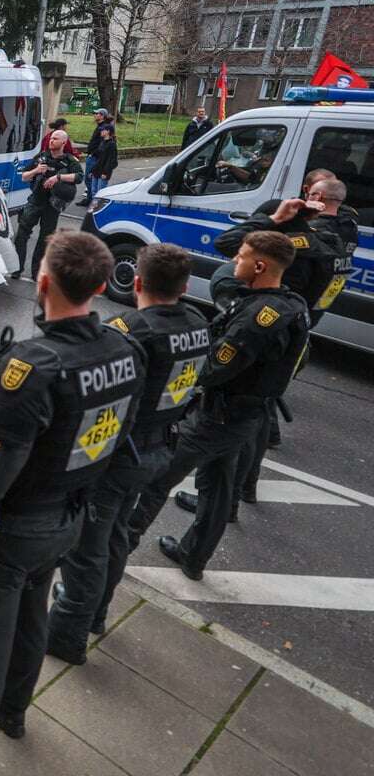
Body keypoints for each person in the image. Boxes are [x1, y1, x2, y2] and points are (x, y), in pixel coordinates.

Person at [0, 232, 144, 775]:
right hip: (70, 515)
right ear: (103, 286)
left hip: (12, 528)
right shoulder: (125, 350)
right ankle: (13, 711)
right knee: (32, 617)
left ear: (42, 282)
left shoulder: (33, 367)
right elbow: (121, 437)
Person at [47, 244, 210, 665]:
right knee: (116, 533)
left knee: (87, 548)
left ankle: (67, 632)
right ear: (186, 286)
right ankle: (97, 612)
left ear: (136, 282)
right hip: (159, 446)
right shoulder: (197, 322)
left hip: (120, 452)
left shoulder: (132, 328)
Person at [131, 231, 309, 581]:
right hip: (246, 415)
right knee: (218, 486)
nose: (234, 262)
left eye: (240, 257)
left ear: (259, 266)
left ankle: (117, 548)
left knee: (156, 482)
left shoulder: (261, 316)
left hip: (218, 417)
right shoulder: (293, 305)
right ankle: (193, 556)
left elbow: (212, 369)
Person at [172, 176, 352, 518]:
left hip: (260, 330)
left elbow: (227, 244)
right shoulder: (338, 235)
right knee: (260, 412)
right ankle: (242, 489)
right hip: (298, 332)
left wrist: (272, 220)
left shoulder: (283, 243)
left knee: (238, 415)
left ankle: (229, 496)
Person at [12, 129, 83, 280]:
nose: (51, 141)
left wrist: (58, 177)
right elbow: (24, 176)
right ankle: (17, 268)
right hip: (35, 201)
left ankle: (36, 272)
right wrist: (36, 170)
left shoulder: (69, 160)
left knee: (45, 239)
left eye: (56, 139)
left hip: (53, 206)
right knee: (21, 235)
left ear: (63, 142)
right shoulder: (41, 157)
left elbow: (79, 177)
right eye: (51, 138)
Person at [75, 108, 110, 206]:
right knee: (90, 179)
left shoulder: (103, 128)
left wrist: (94, 153)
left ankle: (90, 199)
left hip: (94, 157)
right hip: (92, 156)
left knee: (89, 179)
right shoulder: (100, 126)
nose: (94, 115)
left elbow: (102, 144)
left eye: (96, 113)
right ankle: (90, 198)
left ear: (102, 116)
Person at [87, 124, 118, 199]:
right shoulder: (102, 142)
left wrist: (105, 172)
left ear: (108, 131)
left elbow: (112, 160)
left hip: (103, 173)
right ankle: (94, 207)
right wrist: (92, 170)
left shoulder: (112, 145)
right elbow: (98, 159)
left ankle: (98, 208)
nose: (101, 131)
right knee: (93, 191)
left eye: (103, 130)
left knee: (100, 192)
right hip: (96, 171)